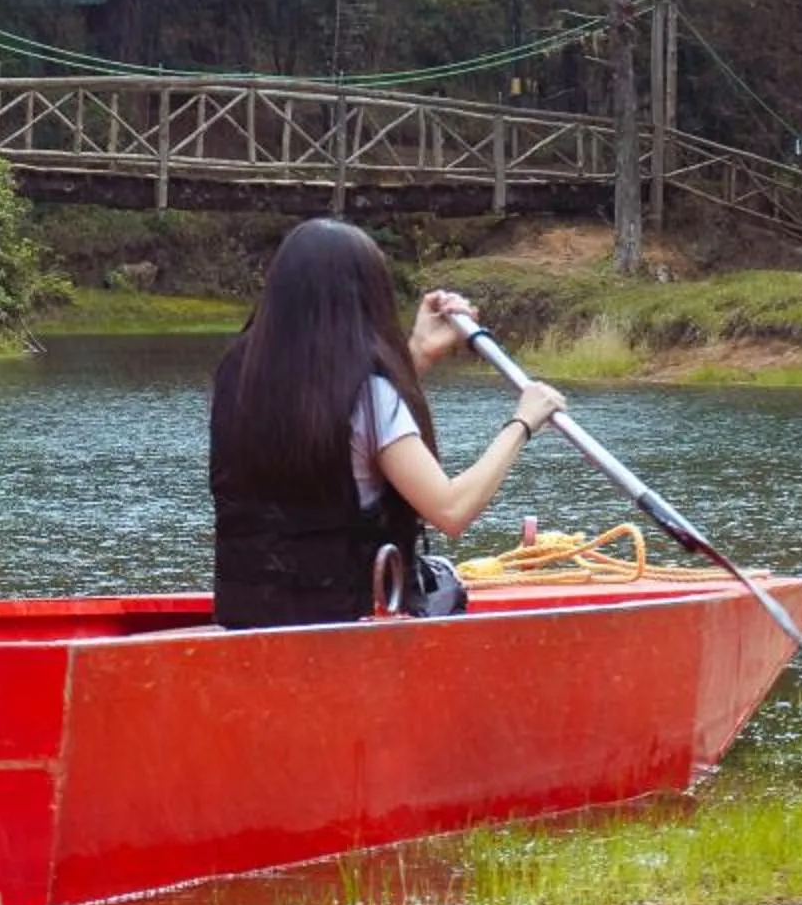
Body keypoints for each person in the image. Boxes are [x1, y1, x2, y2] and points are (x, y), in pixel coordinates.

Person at [209, 217, 567, 630]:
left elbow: (341, 420)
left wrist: (418, 352)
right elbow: (451, 510)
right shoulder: (369, 394)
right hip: (346, 628)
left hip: (248, 619)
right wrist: (523, 421)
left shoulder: (238, 377)